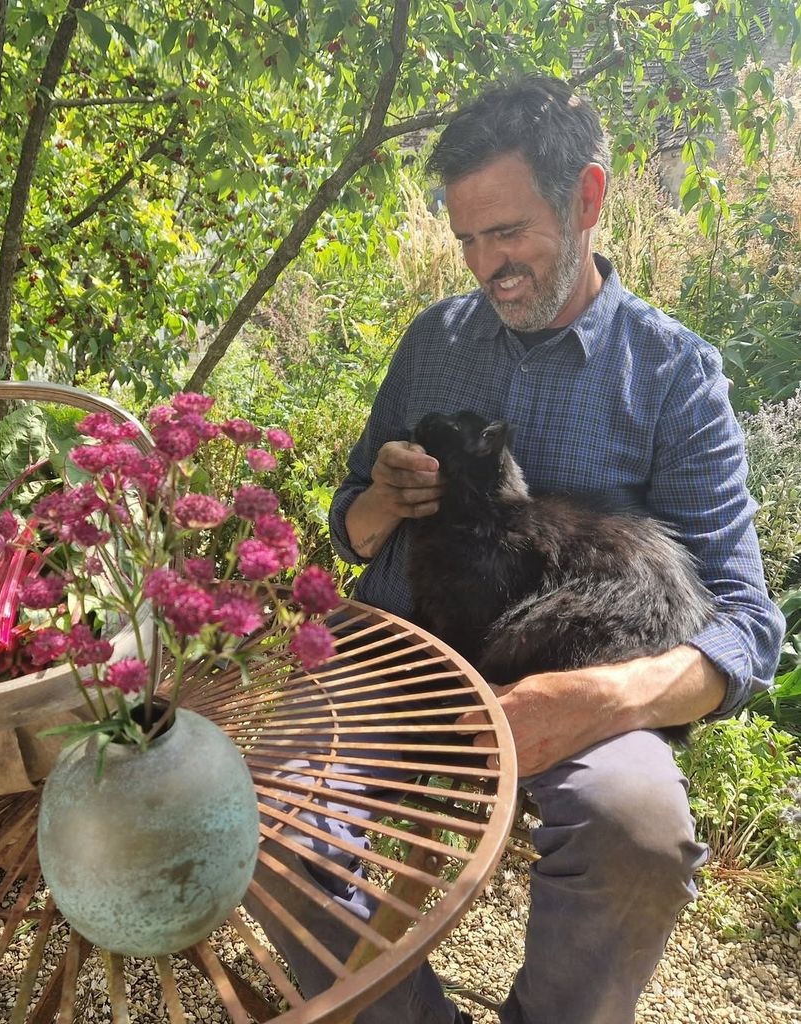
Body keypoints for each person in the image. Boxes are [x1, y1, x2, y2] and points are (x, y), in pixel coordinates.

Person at [250, 76, 785, 1024]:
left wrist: (593, 697)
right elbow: (349, 522)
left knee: (638, 832)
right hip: (403, 658)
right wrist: (376, 499)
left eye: (507, 234)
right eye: (466, 239)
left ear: (586, 199)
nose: (483, 265)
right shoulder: (432, 342)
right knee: (255, 803)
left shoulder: (673, 375)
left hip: (577, 681)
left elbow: (745, 625)